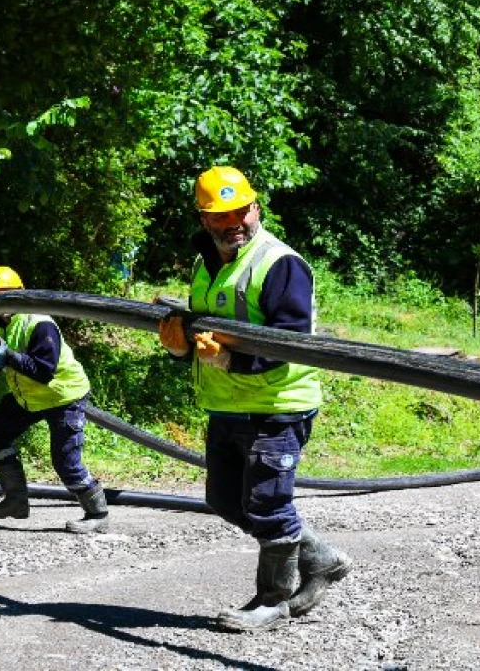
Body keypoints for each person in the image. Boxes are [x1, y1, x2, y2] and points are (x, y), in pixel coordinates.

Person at [157, 166, 352, 632]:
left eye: (241, 211)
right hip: (226, 403)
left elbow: (288, 342)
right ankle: (320, 558)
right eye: (221, 216)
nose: (234, 223)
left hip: (277, 406)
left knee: (267, 504)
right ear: (204, 219)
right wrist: (183, 348)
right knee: (225, 500)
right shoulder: (205, 262)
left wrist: (232, 362)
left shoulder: (280, 263)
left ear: (256, 207)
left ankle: (273, 602)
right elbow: (210, 332)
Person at [0, 265, 110, 534]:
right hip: (30, 398)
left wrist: (8, 356)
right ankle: (15, 501)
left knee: (66, 461)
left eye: (5, 295)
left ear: (20, 294)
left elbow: (44, 372)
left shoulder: (39, 323)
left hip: (63, 396)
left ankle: (98, 514)